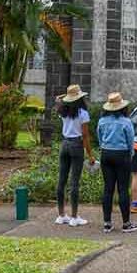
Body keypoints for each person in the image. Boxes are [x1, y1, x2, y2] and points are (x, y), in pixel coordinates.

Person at [97, 92, 137, 234]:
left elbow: (99, 137)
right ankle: (126, 223)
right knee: (122, 189)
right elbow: (131, 141)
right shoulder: (126, 122)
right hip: (122, 155)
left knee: (108, 188)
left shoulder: (102, 121)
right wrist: (131, 155)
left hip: (106, 154)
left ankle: (107, 223)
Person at [55, 84, 94, 227]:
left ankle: (61, 215)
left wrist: (63, 97)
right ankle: (74, 216)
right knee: (74, 182)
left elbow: (57, 100)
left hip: (64, 144)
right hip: (76, 145)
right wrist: (90, 154)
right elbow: (85, 136)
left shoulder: (62, 110)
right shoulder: (82, 113)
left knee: (62, 180)